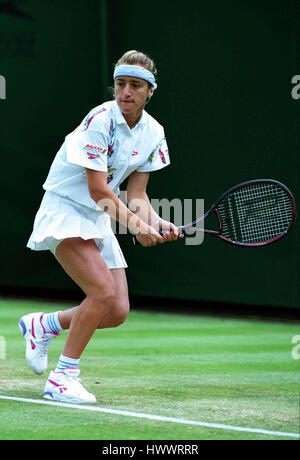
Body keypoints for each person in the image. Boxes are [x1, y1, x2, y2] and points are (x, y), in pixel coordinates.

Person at [20, 50, 183, 404]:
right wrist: (138, 227)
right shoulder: (100, 119)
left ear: (150, 91)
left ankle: (42, 325)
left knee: (116, 310)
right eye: (121, 84)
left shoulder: (154, 132)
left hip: (96, 217)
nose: (125, 92)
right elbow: (98, 189)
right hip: (65, 211)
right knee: (102, 293)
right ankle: (62, 378)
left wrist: (155, 221)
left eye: (135, 86)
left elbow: (137, 193)